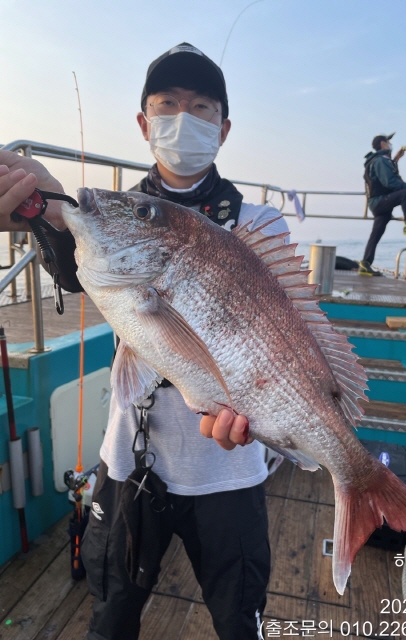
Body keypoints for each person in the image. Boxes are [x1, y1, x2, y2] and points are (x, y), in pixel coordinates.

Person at [0, 43, 289, 640]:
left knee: (240, 620)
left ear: (224, 127)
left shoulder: (259, 224)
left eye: (202, 107)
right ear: (144, 122)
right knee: (110, 616)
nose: (184, 117)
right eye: (167, 104)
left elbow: (281, 338)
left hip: (227, 470)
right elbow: (79, 267)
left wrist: (273, 421)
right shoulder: (121, 214)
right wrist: (42, 212)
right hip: (128, 458)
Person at [359, 132, 406, 276]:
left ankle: (365, 263)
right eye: (388, 141)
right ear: (383, 144)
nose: (390, 144)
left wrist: (396, 159)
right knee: (405, 194)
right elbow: (390, 182)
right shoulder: (381, 160)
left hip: (377, 203)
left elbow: (388, 175)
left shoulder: (379, 160)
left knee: (376, 234)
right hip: (380, 201)